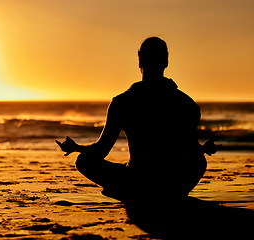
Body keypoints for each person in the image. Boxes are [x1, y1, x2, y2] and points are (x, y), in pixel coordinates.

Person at [56, 37, 220, 202]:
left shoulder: (122, 101)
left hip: (136, 178)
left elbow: (101, 149)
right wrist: (204, 148)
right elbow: (191, 149)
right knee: (199, 161)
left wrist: (77, 148)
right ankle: (169, 193)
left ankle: (127, 190)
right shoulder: (187, 103)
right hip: (173, 180)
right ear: (166, 61)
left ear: (140, 59)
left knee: (84, 160)